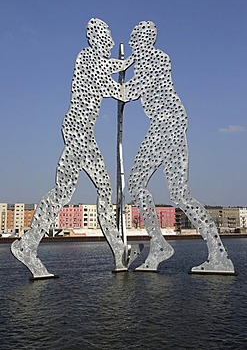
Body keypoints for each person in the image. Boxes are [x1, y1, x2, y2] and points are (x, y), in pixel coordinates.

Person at [11, 18, 134, 278]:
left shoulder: (97, 62)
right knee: (81, 191)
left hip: (82, 132)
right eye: (107, 38)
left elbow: (115, 65)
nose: (111, 43)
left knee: (83, 191)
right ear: (96, 39)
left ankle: (118, 254)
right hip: (78, 133)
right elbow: (119, 90)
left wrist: (130, 62)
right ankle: (29, 245)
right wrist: (139, 79)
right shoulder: (88, 60)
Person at [124, 21, 235, 273]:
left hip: (165, 125)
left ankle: (160, 244)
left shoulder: (154, 59)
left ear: (143, 39)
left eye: (134, 38)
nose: (130, 43)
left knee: (136, 185)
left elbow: (131, 90)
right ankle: (217, 255)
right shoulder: (151, 59)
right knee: (179, 194)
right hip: (172, 123)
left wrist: (103, 82)